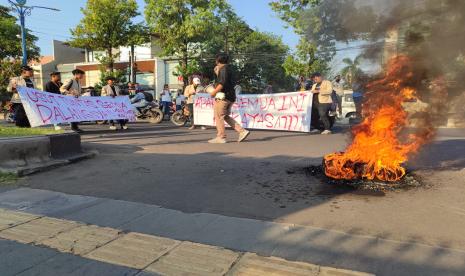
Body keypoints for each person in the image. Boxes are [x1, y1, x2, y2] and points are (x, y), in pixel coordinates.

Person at [208, 53, 250, 143]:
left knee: (219, 116)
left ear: (217, 60)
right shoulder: (228, 69)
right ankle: (242, 131)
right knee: (224, 116)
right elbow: (225, 81)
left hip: (223, 97)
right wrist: (217, 72)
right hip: (230, 96)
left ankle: (221, 137)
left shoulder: (223, 69)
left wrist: (213, 93)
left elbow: (222, 83)